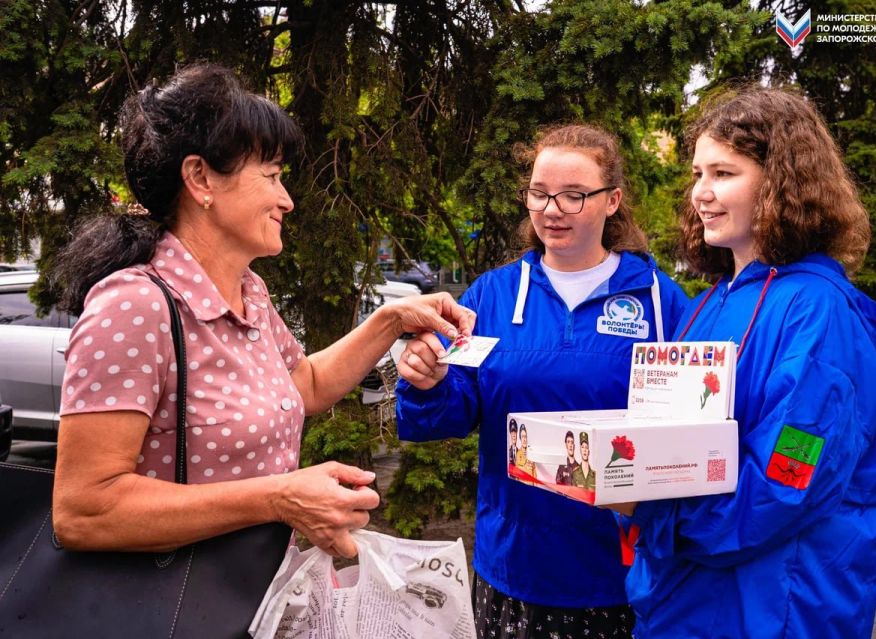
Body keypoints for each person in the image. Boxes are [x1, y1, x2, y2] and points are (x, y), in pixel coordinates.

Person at [49, 64, 473, 560]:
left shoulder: (249, 291)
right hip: (171, 599)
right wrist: (278, 497)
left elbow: (306, 385)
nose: (286, 200)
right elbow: (84, 510)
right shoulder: (135, 306)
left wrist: (393, 319)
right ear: (200, 178)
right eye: (271, 176)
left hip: (246, 591)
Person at [621, 86, 876, 638]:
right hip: (684, 601)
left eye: (724, 173)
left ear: (780, 182)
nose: (701, 193)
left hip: (770, 608)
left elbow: (790, 478)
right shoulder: (711, 302)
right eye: (697, 174)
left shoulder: (816, 312)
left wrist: (653, 512)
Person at [395, 124, 689, 638]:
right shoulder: (493, 295)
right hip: (516, 569)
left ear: (612, 200)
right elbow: (451, 412)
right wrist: (428, 381)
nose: (552, 210)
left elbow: (688, 429)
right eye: (539, 193)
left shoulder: (659, 301)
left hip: (620, 576)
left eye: (574, 195)